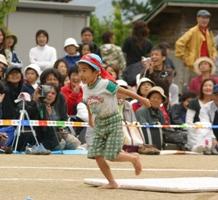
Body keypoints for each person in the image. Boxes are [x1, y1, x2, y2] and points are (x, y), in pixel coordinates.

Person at [77, 53, 151, 189]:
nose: (81, 74)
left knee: (111, 155)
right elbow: (88, 103)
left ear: (96, 71)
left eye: (85, 70)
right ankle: (112, 182)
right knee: (97, 155)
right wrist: (90, 118)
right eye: (79, 70)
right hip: (99, 123)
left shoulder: (105, 84)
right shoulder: (85, 88)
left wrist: (142, 99)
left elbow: (123, 91)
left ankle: (134, 158)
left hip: (113, 121)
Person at [175, 9, 217, 83]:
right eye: (203, 18)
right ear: (198, 18)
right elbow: (179, 44)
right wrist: (187, 59)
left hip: (207, 65)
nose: (205, 20)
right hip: (195, 65)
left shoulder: (208, 32)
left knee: (207, 85)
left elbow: (213, 46)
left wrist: (214, 55)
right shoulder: (192, 31)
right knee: (194, 85)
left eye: (207, 18)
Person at [186, 78, 215, 152]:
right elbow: (189, 122)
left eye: (210, 86)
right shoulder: (194, 102)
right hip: (196, 132)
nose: (208, 88)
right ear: (201, 88)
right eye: (205, 86)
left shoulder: (215, 103)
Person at [199, 83, 218, 154]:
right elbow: (206, 126)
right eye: (216, 95)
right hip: (210, 136)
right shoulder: (205, 108)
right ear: (212, 96)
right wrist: (213, 139)